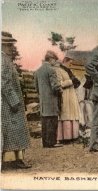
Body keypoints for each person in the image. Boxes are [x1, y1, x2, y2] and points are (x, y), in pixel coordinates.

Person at [1, 31, 31, 169]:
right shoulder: (4, 61)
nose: (11, 47)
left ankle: (13, 159)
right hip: (9, 103)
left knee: (11, 131)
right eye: (7, 45)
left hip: (7, 102)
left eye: (11, 45)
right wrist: (14, 101)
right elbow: (5, 83)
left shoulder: (6, 60)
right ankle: (15, 160)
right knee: (15, 130)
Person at [35, 50, 63, 148]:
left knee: (45, 122)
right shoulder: (51, 70)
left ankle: (45, 143)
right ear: (51, 59)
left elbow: (36, 88)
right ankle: (52, 142)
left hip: (43, 100)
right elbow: (55, 86)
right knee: (52, 121)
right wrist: (60, 90)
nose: (55, 62)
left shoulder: (38, 71)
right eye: (55, 60)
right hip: (51, 100)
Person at [53, 58, 81, 144]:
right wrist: (71, 81)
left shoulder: (69, 71)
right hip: (65, 95)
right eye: (70, 63)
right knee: (66, 114)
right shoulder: (58, 70)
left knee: (73, 114)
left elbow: (73, 82)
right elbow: (59, 83)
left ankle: (73, 136)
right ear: (65, 61)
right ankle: (65, 137)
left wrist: (76, 82)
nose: (70, 65)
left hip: (71, 94)